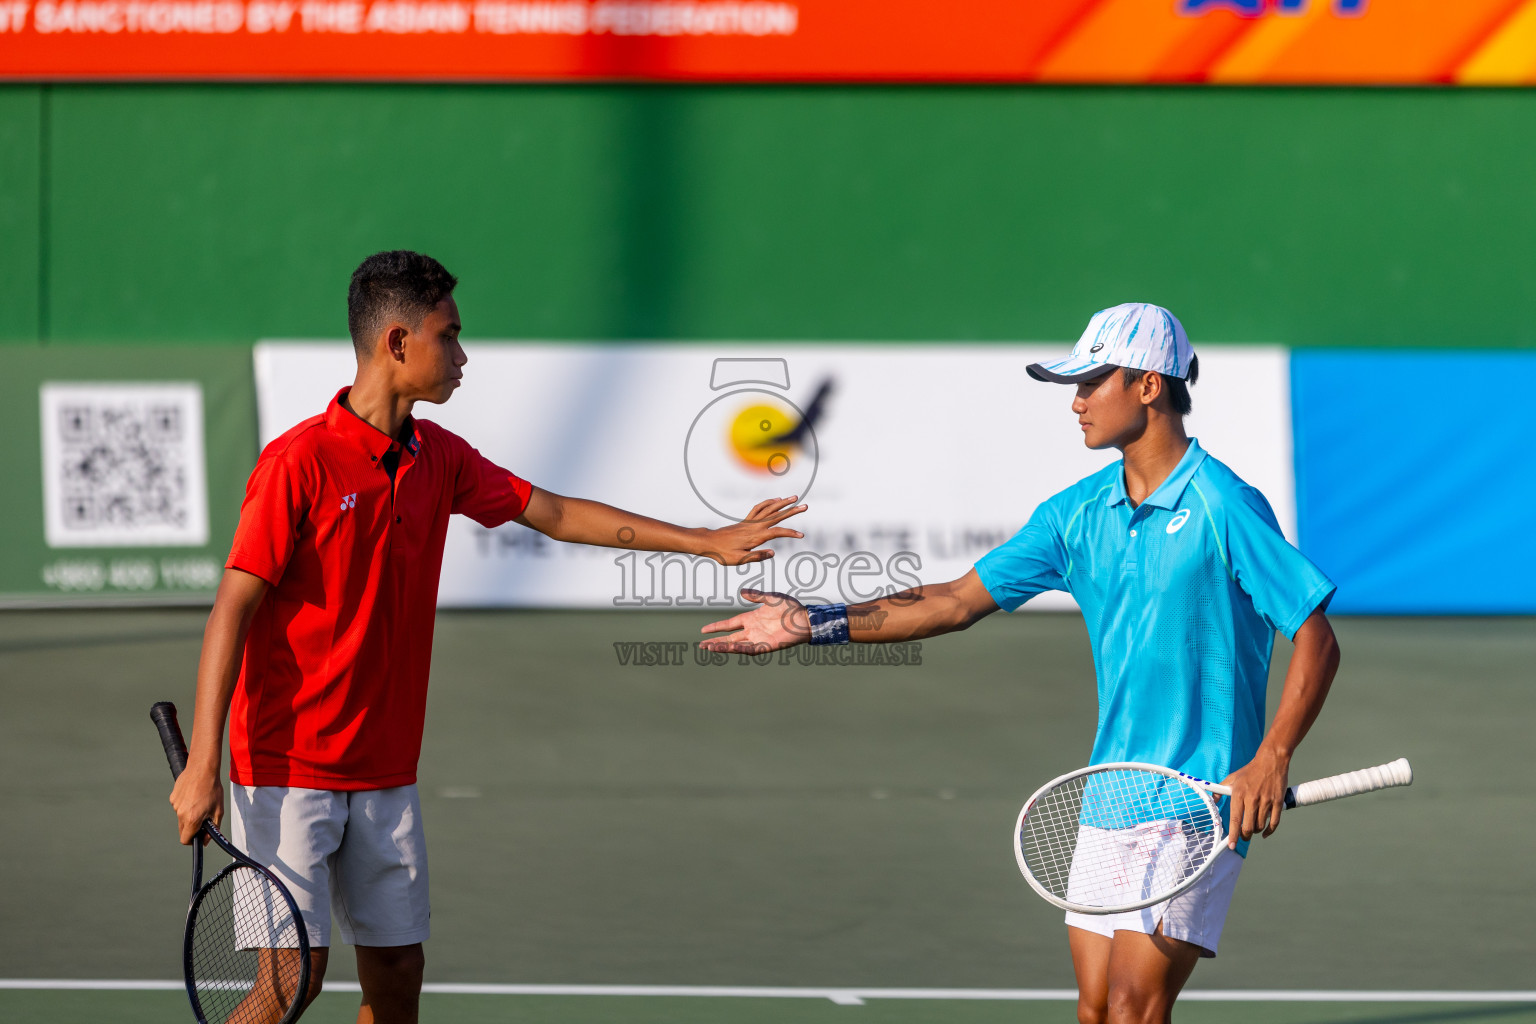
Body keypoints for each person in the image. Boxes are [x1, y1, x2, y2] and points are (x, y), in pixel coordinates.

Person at [167, 250, 806, 1024]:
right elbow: (231, 609)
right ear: (397, 342)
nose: (464, 356)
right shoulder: (296, 464)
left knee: (398, 978)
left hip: (385, 769)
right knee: (285, 990)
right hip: (286, 767)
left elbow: (557, 514)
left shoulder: (441, 458)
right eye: (451, 335)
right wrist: (205, 765)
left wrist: (703, 541)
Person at [699, 302, 1340, 1024]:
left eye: (1091, 383)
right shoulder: (1074, 514)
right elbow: (951, 599)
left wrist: (1273, 754)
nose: (1075, 403)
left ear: (1148, 386)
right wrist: (814, 623)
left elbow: (1314, 632)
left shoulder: (1225, 506)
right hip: (1109, 790)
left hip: (1197, 799)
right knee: (1097, 1009)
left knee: (1135, 1006)